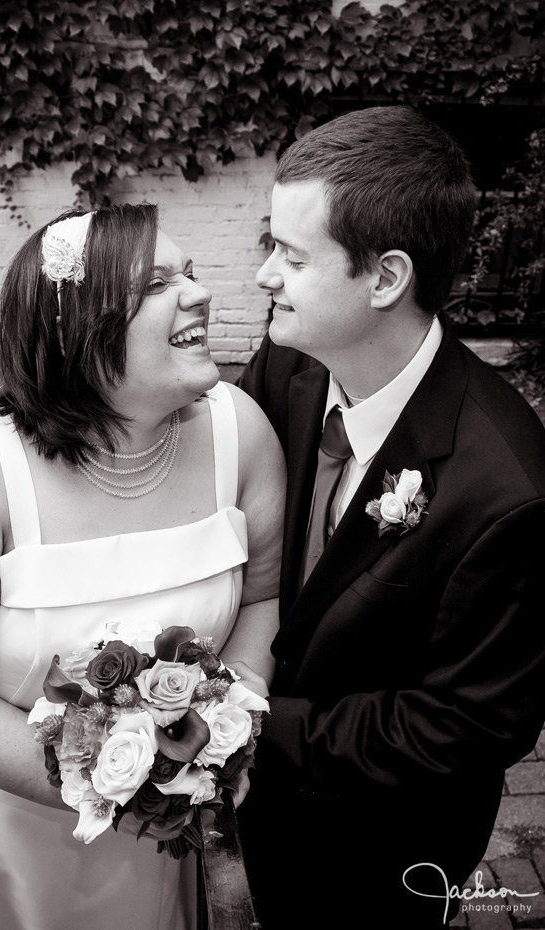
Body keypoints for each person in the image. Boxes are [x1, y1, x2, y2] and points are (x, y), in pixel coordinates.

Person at [0, 203, 286, 930]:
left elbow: (263, 599)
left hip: (163, 854)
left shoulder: (239, 429)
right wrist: (116, 788)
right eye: (157, 284)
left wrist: (220, 737)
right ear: (75, 327)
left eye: (191, 272)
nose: (201, 294)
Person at [236, 106, 545, 929]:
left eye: (292, 256)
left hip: (381, 842)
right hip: (256, 812)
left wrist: (253, 724)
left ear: (384, 278)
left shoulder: (507, 489)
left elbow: (469, 724)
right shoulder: (287, 362)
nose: (266, 275)